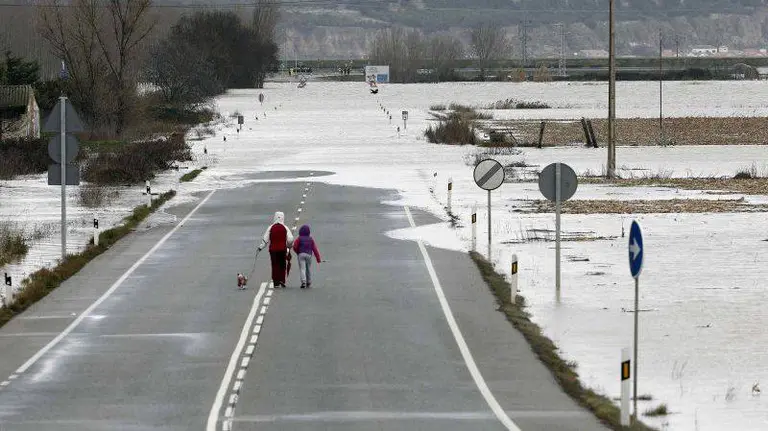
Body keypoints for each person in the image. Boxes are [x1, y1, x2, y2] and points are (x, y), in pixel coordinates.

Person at [258, 212, 293, 288]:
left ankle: (276, 282)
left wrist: (260, 247)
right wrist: (288, 246)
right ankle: (282, 280)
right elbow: (290, 239)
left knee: (274, 265)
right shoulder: (285, 227)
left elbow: (265, 239)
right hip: (282, 249)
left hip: (273, 250)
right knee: (282, 264)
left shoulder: (271, 227)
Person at [292, 224, 322, 289]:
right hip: (309, 255)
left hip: (301, 254)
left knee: (302, 269)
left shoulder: (299, 238)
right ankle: (309, 282)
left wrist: (298, 252)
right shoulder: (311, 239)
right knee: (308, 269)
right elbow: (315, 249)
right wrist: (318, 259)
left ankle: (303, 282)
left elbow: (294, 246)